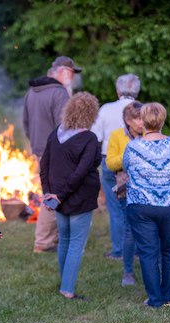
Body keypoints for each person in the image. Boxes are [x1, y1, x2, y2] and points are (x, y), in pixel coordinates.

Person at [123, 102, 170, 308]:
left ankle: (155, 300)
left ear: (143, 121)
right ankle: (168, 295)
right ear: (162, 120)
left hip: (141, 204)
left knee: (148, 252)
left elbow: (125, 165)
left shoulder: (133, 146)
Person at [41, 92, 102, 301]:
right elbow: (81, 172)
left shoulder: (55, 133)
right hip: (78, 198)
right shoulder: (89, 138)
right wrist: (59, 195)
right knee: (75, 243)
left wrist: (49, 193)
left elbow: (44, 165)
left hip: (60, 199)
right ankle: (67, 290)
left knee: (65, 241)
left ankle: (64, 283)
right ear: (91, 113)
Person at [22, 56, 80, 253]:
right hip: (57, 152)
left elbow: (26, 125)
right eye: (72, 73)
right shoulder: (59, 93)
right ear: (63, 71)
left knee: (51, 191)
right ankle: (43, 242)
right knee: (53, 194)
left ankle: (54, 237)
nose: (73, 78)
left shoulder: (31, 92)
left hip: (40, 150)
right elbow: (64, 128)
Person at [90, 74, 140, 262]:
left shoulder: (106, 109)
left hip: (111, 162)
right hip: (138, 162)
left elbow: (96, 137)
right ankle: (136, 249)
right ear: (137, 91)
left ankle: (119, 250)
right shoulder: (144, 109)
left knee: (116, 208)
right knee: (137, 207)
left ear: (118, 91)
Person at [105, 101, 142, 286]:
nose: (143, 122)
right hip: (125, 189)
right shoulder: (117, 136)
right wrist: (131, 152)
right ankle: (128, 272)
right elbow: (110, 163)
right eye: (138, 118)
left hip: (147, 188)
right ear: (128, 120)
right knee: (129, 230)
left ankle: (154, 268)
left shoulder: (149, 135)